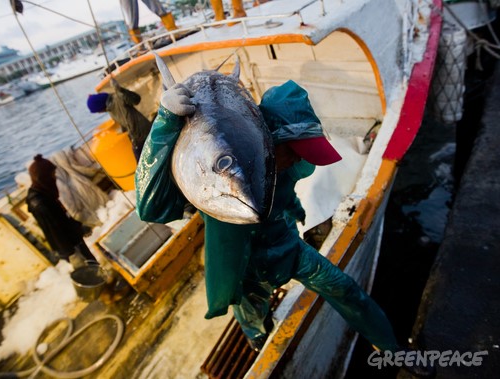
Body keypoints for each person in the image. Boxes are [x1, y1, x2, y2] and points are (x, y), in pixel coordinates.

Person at [135, 81, 435, 377]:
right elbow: (152, 207)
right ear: (267, 141)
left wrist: (296, 209)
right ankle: (258, 342)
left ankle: (392, 349)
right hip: (242, 270)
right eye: (293, 150)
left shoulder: (290, 164)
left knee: (344, 289)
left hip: (288, 250)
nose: (299, 159)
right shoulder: (213, 183)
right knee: (253, 321)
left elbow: (287, 190)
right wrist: (166, 123)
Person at [26, 154, 97, 267]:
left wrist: (78, 227)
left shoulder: (44, 192)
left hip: (74, 238)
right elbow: (55, 232)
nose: (54, 178)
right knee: (90, 269)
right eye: (52, 175)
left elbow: (62, 218)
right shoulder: (41, 204)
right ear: (43, 177)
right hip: (70, 247)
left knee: (93, 263)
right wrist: (71, 254)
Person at [87, 79, 152, 161]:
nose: (99, 113)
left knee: (142, 161)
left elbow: (137, 99)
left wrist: (121, 90)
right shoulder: (110, 109)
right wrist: (122, 130)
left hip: (144, 133)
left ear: (100, 106)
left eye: (98, 111)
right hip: (136, 137)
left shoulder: (118, 98)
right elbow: (124, 120)